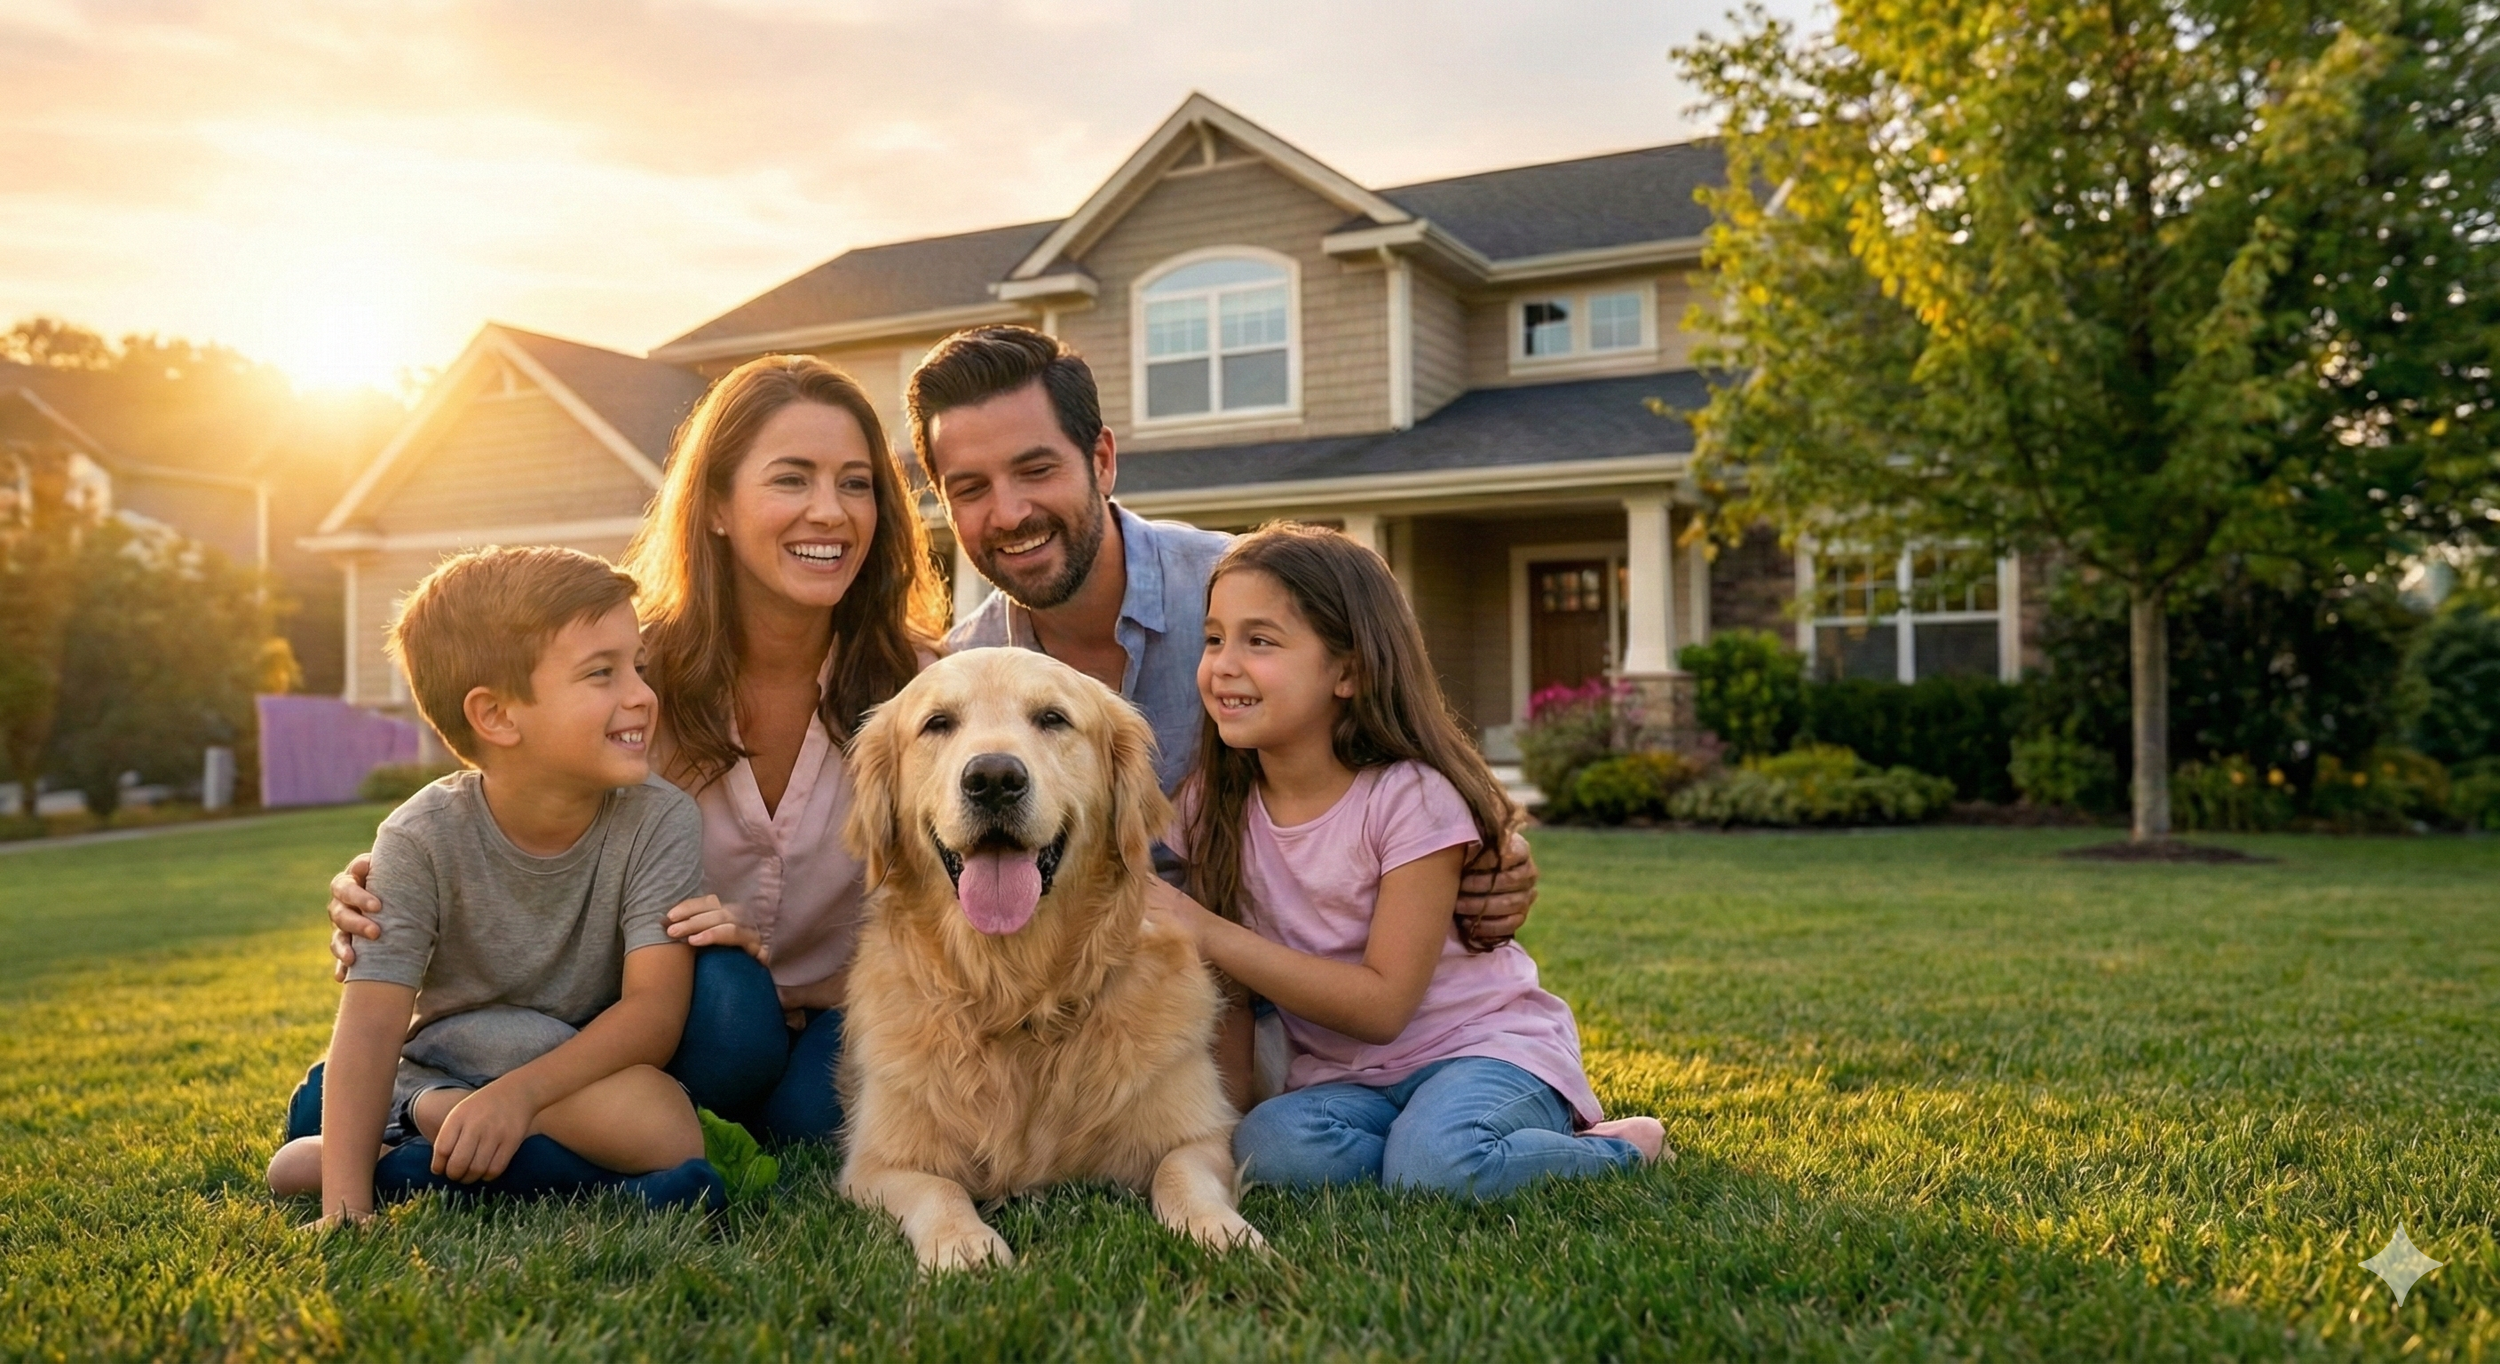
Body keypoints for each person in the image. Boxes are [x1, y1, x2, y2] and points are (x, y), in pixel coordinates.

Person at [325, 357, 948, 1145]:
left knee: (808, 1121)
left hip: (845, 1006)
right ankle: (441, 1103)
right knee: (730, 1011)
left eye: (856, 484)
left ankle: (472, 1117)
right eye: (792, 479)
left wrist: (843, 983)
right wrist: (385, 884)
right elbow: (516, 786)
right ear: (716, 506)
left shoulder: (927, 693)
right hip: (686, 1011)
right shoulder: (630, 676)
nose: (830, 512)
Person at [907, 326, 1542, 936]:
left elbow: (1407, 746)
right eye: (971, 488)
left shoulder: (1253, 598)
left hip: (1304, 975)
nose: (1009, 513)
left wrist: (1494, 852)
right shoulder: (958, 677)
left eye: (1036, 470)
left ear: (1100, 462)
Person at [1157, 524, 1666, 1198]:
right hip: (1348, 1081)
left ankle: (1617, 1149)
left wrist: (1204, 929)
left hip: (1481, 1050)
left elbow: (1383, 1006)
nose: (1222, 664)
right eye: (1215, 638)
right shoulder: (1210, 806)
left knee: (1438, 1166)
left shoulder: (1411, 797)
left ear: (1349, 671)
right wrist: (1231, 1119)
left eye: (1261, 641)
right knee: (1269, 1148)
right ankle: (1418, 1150)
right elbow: (1234, 996)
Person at [266, 547, 723, 1220]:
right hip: (448, 1054)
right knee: (294, 1165)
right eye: (602, 673)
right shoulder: (418, 838)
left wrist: (517, 1097)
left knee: (667, 1131)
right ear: (498, 716)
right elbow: (370, 1028)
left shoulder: (661, 819)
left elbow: (653, 1013)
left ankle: (422, 1149)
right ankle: (441, 1120)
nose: (641, 696)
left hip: (569, 1062)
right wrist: (344, 1212)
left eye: (639, 666)